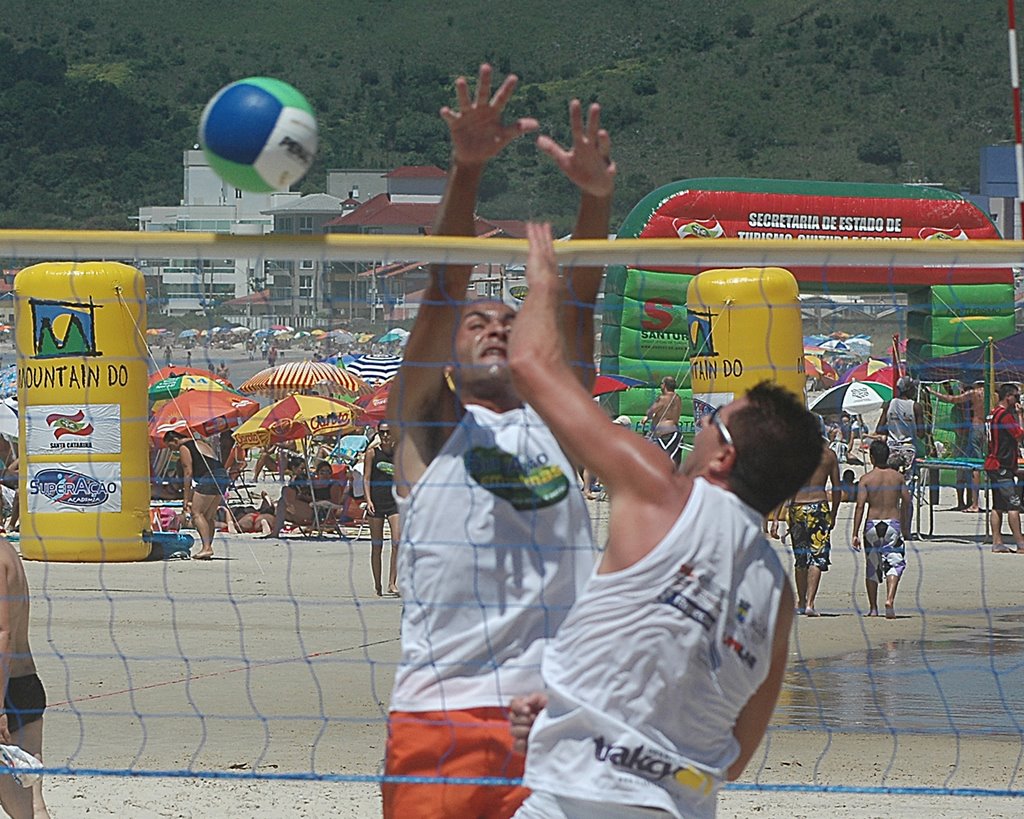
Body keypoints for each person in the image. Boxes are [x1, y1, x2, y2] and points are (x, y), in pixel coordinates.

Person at [506, 222, 823, 819]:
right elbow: (733, 758)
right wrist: (570, 707)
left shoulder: (661, 493)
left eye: (713, 420)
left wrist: (544, 282)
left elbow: (527, 361)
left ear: (724, 455)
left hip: (568, 802)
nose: (701, 424)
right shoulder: (778, 592)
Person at [383, 64, 614, 818]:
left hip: (555, 715)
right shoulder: (427, 422)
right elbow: (445, 287)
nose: (493, 326)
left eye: (509, 321)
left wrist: (595, 198)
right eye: (478, 323)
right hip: (440, 716)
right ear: (449, 351)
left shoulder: (556, 426)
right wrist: (466, 171)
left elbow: (580, 302)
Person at [0, 536, 50, 819]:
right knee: (32, 805)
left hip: (6, 692)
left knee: (22, 808)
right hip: (24, 683)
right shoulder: (8, 550)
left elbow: (1, 633)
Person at [770, 424, 840, 616]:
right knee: (817, 557)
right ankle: (810, 603)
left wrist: (776, 518)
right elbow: (836, 489)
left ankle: (800, 602)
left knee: (800, 558)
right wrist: (833, 514)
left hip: (797, 508)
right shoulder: (829, 455)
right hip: (819, 507)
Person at [852, 440, 911, 618]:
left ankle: (873, 608)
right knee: (895, 562)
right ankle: (890, 599)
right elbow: (907, 501)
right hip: (892, 524)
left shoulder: (866, 479)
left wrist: (855, 533)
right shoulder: (897, 478)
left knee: (872, 565)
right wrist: (905, 524)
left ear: (871, 457)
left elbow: (860, 506)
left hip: (872, 524)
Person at [164, 430, 230, 560]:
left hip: (209, 478)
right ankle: (207, 547)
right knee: (208, 516)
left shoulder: (184, 447)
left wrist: (186, 499)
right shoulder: (200, 442)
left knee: (196, 514)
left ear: (175, 440)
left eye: (170, 446)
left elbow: (188, 472)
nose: (172, 450)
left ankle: (207, 548)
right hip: (221, 475)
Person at [926, 379, 985, 512]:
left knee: (972, 469)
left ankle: (972, 502)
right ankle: (963, 502)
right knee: (964, 472)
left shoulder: (973, 398)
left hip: (971, 435)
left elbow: (952, 399)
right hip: (967, 439)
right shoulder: (960, 409)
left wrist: (934, 392)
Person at [984, 382, 1024, 553]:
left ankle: (997, 541)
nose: (1017, 399)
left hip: (993, 463)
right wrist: (1020, 414)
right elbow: (1019, 435)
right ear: (1008, 397)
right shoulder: (1005, 416)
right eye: (1016, 396)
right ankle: (1020, 543)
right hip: (1001, 465)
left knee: (998, 505)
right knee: (1013, 505)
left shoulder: (993, 413)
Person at [363, 425, 400, 596]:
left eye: (388, 432)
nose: (385, 435)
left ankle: (392, 583)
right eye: (382, 432)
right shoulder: (372, 453)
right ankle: (377, 584)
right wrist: (368, 500)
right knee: (377, 545)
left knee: (397, 542)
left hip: (394, 502)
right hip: (376, 502)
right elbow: (366, 478)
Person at [876, 375, 924, 477]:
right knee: (906, 480)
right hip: (908, 448)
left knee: (890, 478)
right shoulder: (916, 406)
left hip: (891, 446)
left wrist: (891, 430)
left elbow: (879, 429)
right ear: (909, 389)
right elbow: (921, 433)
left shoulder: (890, 404)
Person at [645, 376, 684, 466]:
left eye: (662, 383)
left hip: (663, 435)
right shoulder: (678, 398)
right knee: (673, 463)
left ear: (665, 385)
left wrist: (648, 417)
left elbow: (650, 411)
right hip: (674, 432)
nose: (660, 385)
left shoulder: (663, 398)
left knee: (655, 463)